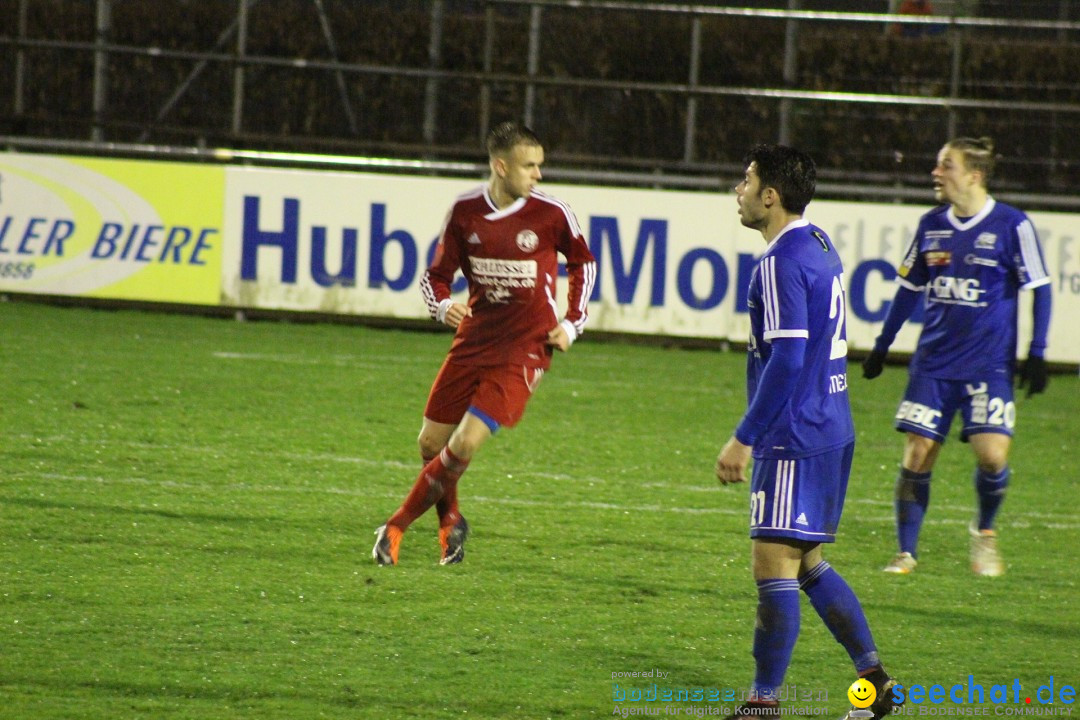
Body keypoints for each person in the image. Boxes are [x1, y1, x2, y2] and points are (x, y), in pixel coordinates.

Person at [716, 144, 902, 720]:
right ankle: (876, 687)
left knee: (772, 566)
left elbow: (789, 358)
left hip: (794, 434)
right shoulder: (818, 242)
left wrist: (745, 436)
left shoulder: (777, 262)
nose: (739, 191)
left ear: (770, 196)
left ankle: (762, 703)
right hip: (831, 425)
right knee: (808, 563)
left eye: (746, 182)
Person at [372, 121, 597, 566]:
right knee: (430, 444)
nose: (538, 175)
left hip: (525, 348)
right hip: (474, 340)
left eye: (540, 166)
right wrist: (442, 306)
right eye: (529, 166)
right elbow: (434, 278)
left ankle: (395, 525)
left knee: (466, 443)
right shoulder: (465, 212)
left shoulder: (552, 214)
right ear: (501, 166)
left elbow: (583, 264)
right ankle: (451, 521)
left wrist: (572, 323)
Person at [862, 136, 1052, 577]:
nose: (936, 172)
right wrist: (882, 345)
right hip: (933, 365)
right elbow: (909, 290)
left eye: (946, 165)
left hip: (989, 366)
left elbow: (1039, 288)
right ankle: (905, 552)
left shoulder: (1012, 225)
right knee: (918, 452)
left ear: (973, 175)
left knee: (992, 457)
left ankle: (984, 533)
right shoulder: (931, 224)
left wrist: (1037, 352)